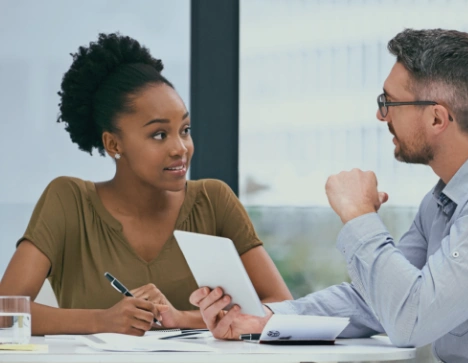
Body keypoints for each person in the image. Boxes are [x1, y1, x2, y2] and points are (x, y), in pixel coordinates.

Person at [190, 29, 468, 362]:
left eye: (390, 102)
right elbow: (377, 299)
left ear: (436, 118)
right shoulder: (441, 200)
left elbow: (411, 319)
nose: (380, 114)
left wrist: (359, 215)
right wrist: (266, 318)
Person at [0, 33, 292, 336]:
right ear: (114, 143)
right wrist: (103, 321)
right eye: (159, 135)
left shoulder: (213, 200)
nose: (181, 148)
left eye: (185, 129)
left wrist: (181, 317)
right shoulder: (69, 201)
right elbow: (4, 310)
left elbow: (283, 304)